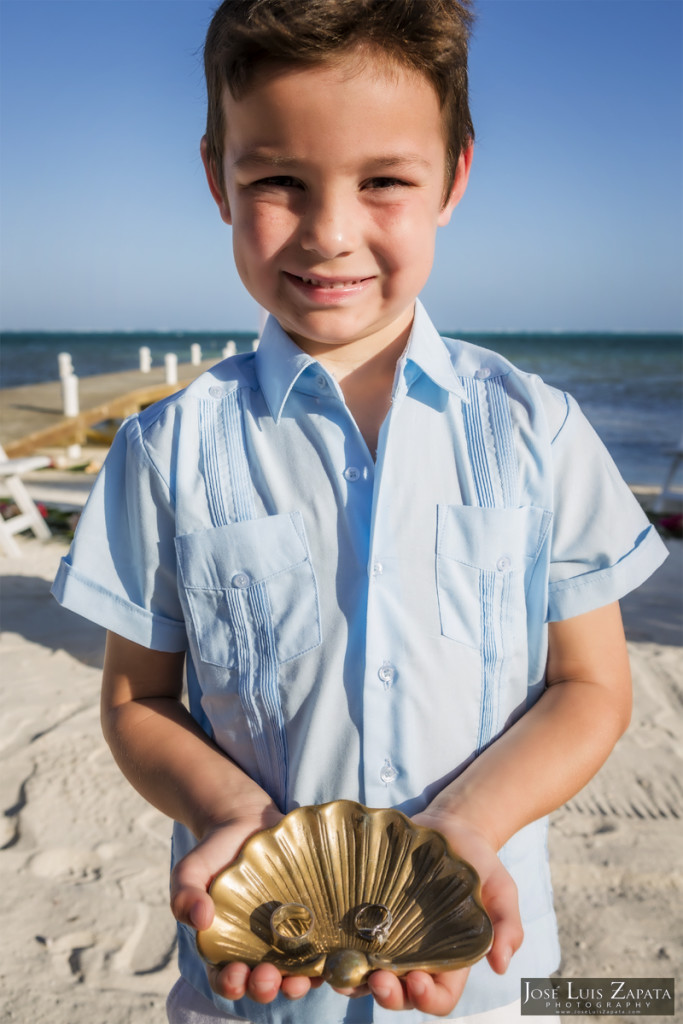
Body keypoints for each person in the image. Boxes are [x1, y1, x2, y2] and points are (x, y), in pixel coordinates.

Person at [52, 1, 668, 1022]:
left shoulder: (534, 429)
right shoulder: (165, 449)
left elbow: (590, 685)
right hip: (256, 974)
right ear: (217, 177)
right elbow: (134, 701)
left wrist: (467, 822)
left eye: (382, 181)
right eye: (276, 181)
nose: (329, 232)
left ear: (452, 177)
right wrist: (239, 816)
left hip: (481, 982)